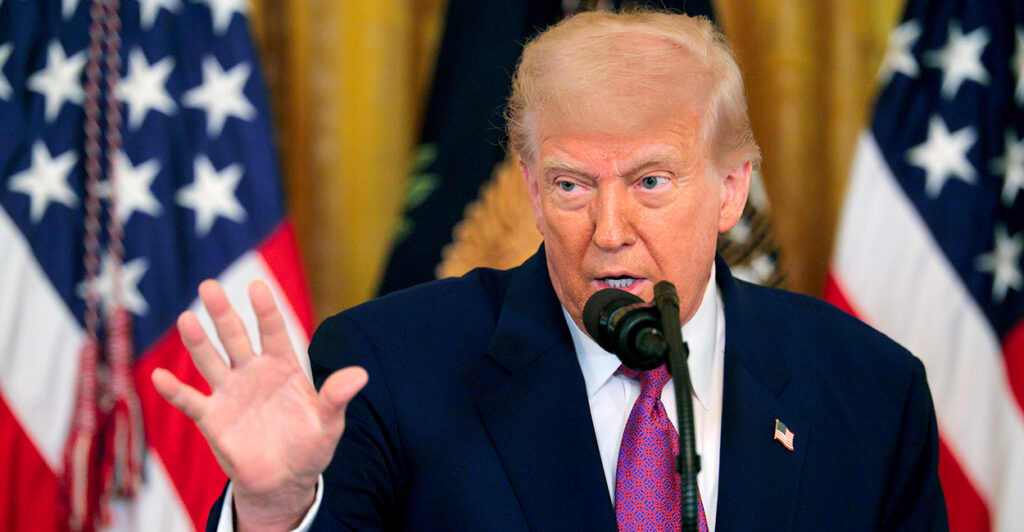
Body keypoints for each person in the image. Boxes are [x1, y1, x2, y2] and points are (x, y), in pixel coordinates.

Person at [152, 9, 949, 531]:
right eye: (572, 186)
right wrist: (274, 506)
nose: (609, 231)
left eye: (650, 182)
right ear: (531, 190)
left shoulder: (869, 393)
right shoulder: (390, 369)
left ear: (731, 189)